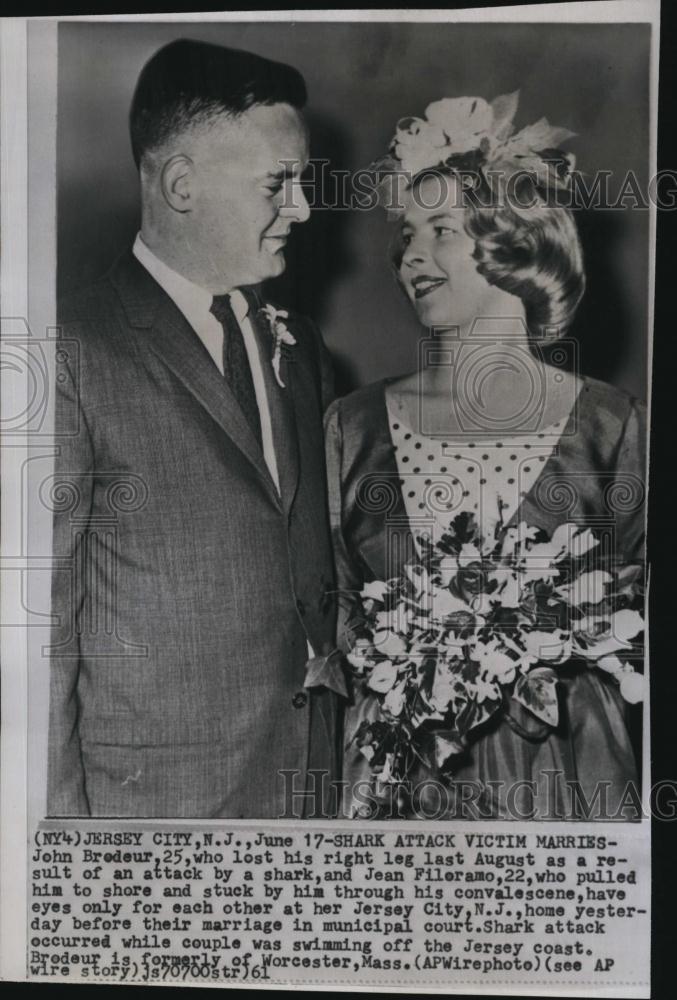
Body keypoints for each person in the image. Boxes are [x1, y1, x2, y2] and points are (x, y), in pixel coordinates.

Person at [325, 92, 646, 820]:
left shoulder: (614, 425)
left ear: (510, 236)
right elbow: (339, 611)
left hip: (565, 791)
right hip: (394, 799)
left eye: (440, 228)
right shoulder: (349, 427)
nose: (410, 255)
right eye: (405, 233)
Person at [47, 38, 342, 818]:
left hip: (306, 795)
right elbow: (35, 631)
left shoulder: (300, 345)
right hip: (155, 815)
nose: (303, 210)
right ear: (181, 184)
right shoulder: (68, 350)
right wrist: (63, 845)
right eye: (278, 184)